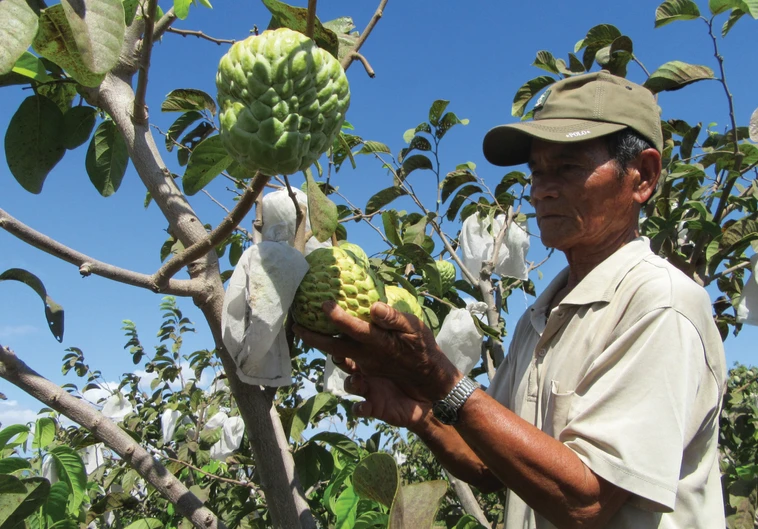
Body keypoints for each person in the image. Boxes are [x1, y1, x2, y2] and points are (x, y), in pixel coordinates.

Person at [295, 71, 727, 529]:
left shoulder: (661, 305)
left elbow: (587, 500)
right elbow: (491, 466)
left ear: (642, 175)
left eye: (568, 168)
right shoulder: (540, 316)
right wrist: (419, 413)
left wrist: (436, 375)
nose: (542, 190)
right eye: (537, 172)